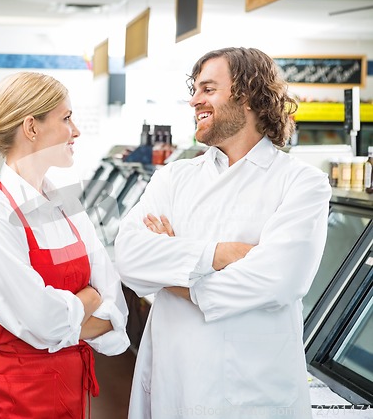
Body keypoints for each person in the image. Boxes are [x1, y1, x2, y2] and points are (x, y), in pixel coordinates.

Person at [114, 47, 332, 419]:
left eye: (208, 89)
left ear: (247, 95)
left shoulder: (301, 184)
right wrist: (221, 254)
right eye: (195, 89)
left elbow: (278, 280)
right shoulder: (174, 176)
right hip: (172, 382)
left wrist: (174, 273)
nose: (194, 99)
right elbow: (129, 258)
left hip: (252, 395)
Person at [0, 71, 130, 418]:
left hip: (71, 394)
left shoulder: (66, 205)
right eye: (66, 118)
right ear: (31, 127)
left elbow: (115, 309)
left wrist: (69, 317)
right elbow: (44, 322)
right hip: (16, 401)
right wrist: (89, 300)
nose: (76, 130)